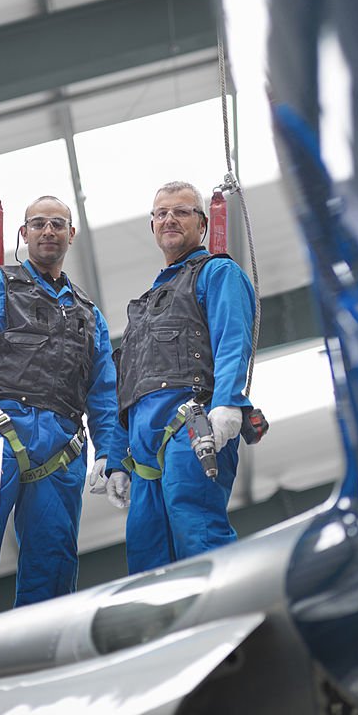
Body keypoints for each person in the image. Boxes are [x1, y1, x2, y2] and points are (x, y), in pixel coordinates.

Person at [0, 195, 119, 627]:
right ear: (23, 233)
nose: (48, 231)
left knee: (54, 561)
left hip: (62, 449)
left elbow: (104, 391)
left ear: (71, 235)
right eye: (38, 224)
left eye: (58, 224)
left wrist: (110, 452)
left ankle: (40, 662)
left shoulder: (90, 315)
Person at [90, 181, 255, 574]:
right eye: (161, 213)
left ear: (202, 224)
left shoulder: (217, 273)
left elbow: (234, 336)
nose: (169, 219)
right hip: (142, 452)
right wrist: (116, 460)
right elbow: (126, 387)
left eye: (181, 211)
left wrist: (228, 400)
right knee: (148, 565)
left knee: (198, 533)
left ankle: (223, 623)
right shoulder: (144, 308)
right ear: (152, 226)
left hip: (193, 427)